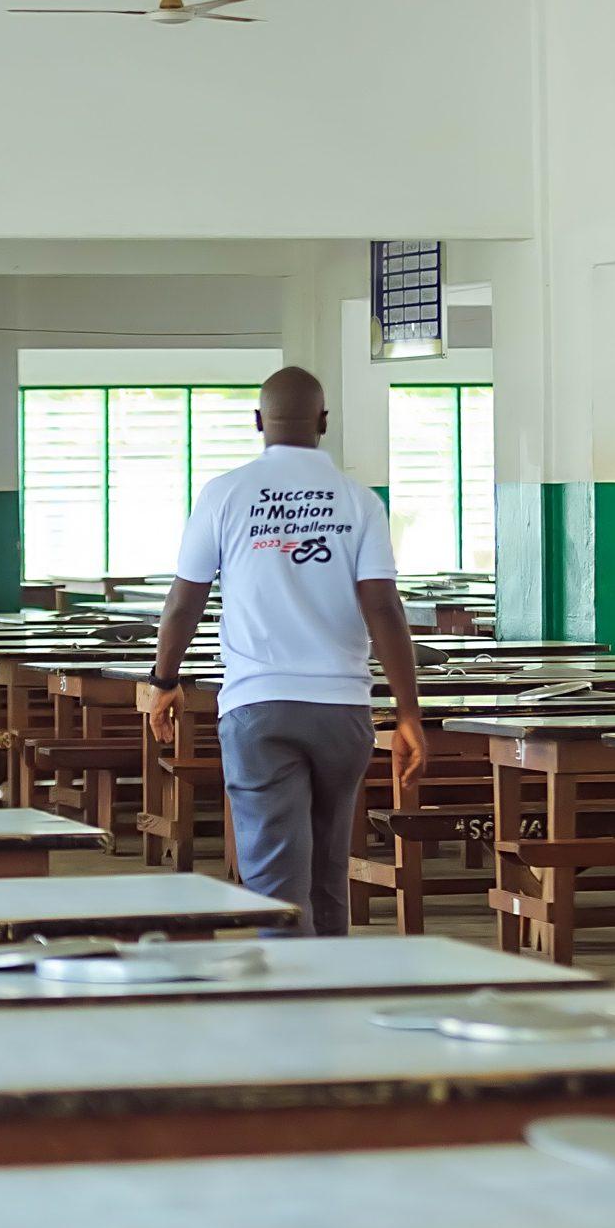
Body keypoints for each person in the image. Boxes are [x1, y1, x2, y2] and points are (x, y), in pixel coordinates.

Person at [147, 366, 424, 938]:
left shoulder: (224, 494)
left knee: (277, 882)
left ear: (258, 421)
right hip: (342, 711)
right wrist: (408, 714)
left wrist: (164, 680)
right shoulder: (360, 501)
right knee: (327, 872)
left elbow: (183, 603)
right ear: (324, 422)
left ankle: (288, 987)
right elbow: (384, 608)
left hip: (259, 708)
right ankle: (327, 983)